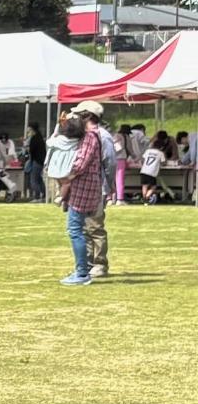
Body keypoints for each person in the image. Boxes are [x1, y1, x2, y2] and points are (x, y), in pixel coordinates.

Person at [52, 110, 103, 286]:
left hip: (83, 188)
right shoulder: (89, 136)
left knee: (75, 229)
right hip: (84, 188)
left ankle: (82, 273)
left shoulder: (89, 137)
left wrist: (67, 176)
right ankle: (83, 269)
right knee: (80, 229)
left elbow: (81, 163)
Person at [76, 101, 115, 276]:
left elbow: (110, 163)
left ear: (88, 115)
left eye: (79, 114)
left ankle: (100, 263)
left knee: (95, 227)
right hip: (84, 188)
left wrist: (109, 185)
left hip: (98, 187)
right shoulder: (84, 135)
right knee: (84, 228)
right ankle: (89, 262)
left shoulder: (103, 136)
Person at [142, 130, 171, 205]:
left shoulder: (148, 151)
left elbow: (143, 159)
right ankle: (147, 197)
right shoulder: (160, 153)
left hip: (144, 170)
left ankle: (144, 198)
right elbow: (164, 162)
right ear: (161, 147)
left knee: (144, 186)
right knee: (153, 187)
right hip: (152, 172)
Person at [23, 124, 47, 202]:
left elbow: (32, 150)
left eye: (29, 130)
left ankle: (37, 196)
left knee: (33, 179)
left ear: (33, 130)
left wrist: (27, 147)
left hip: (36, 161)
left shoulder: (34, 139)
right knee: (39, 179)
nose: (28, 132)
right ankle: (43, 194)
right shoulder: (39, 138)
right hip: (40, 161)